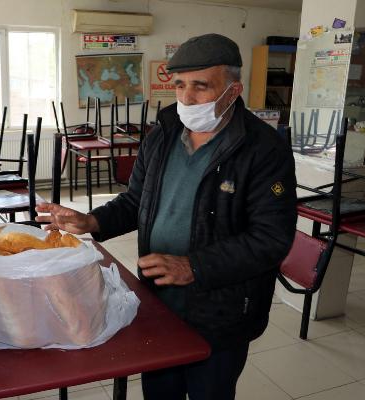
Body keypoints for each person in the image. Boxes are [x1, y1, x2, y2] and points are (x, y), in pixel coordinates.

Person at [36, 33, 297, 400]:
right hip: (159, 299)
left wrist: (195, 266)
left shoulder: (263, 150)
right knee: (160, 391)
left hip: (220, 309)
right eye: (179, 85)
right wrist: (92, 222)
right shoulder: (164, 134)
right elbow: (136, 201)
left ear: (233, 89)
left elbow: (270, 239)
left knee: (210, 391)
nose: (187, 98)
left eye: (201, 86)